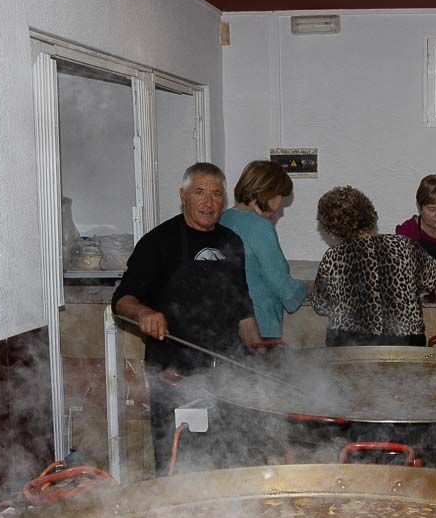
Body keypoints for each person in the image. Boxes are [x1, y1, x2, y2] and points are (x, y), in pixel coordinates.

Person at [113, 162, 260, 475]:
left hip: (226, 373)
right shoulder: (158, 243)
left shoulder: (232, 242)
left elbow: (242, 308)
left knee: (228, 459)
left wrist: (257, 354)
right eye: (200, 192)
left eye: (216, 194)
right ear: (183, 196)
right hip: (175, 374)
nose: (208, 202)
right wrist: (144, 312)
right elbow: (121, 300)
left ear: (224, 200)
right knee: (178, 461)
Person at [311, 186, 436, 347]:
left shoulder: (333, 257)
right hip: (405, 343)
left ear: (332, 229)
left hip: (349, 344)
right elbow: (433, 279)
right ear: (370, 213)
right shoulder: (405, 245)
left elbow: (320, 305)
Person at [220, 160, 307, 341]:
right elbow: (282, 285)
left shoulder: (222, 219)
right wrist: (309, 287)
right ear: (268, 193)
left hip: (226, 326)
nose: (280, 207)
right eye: (280, 197)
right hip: (259, 329)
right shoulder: (260, 227)